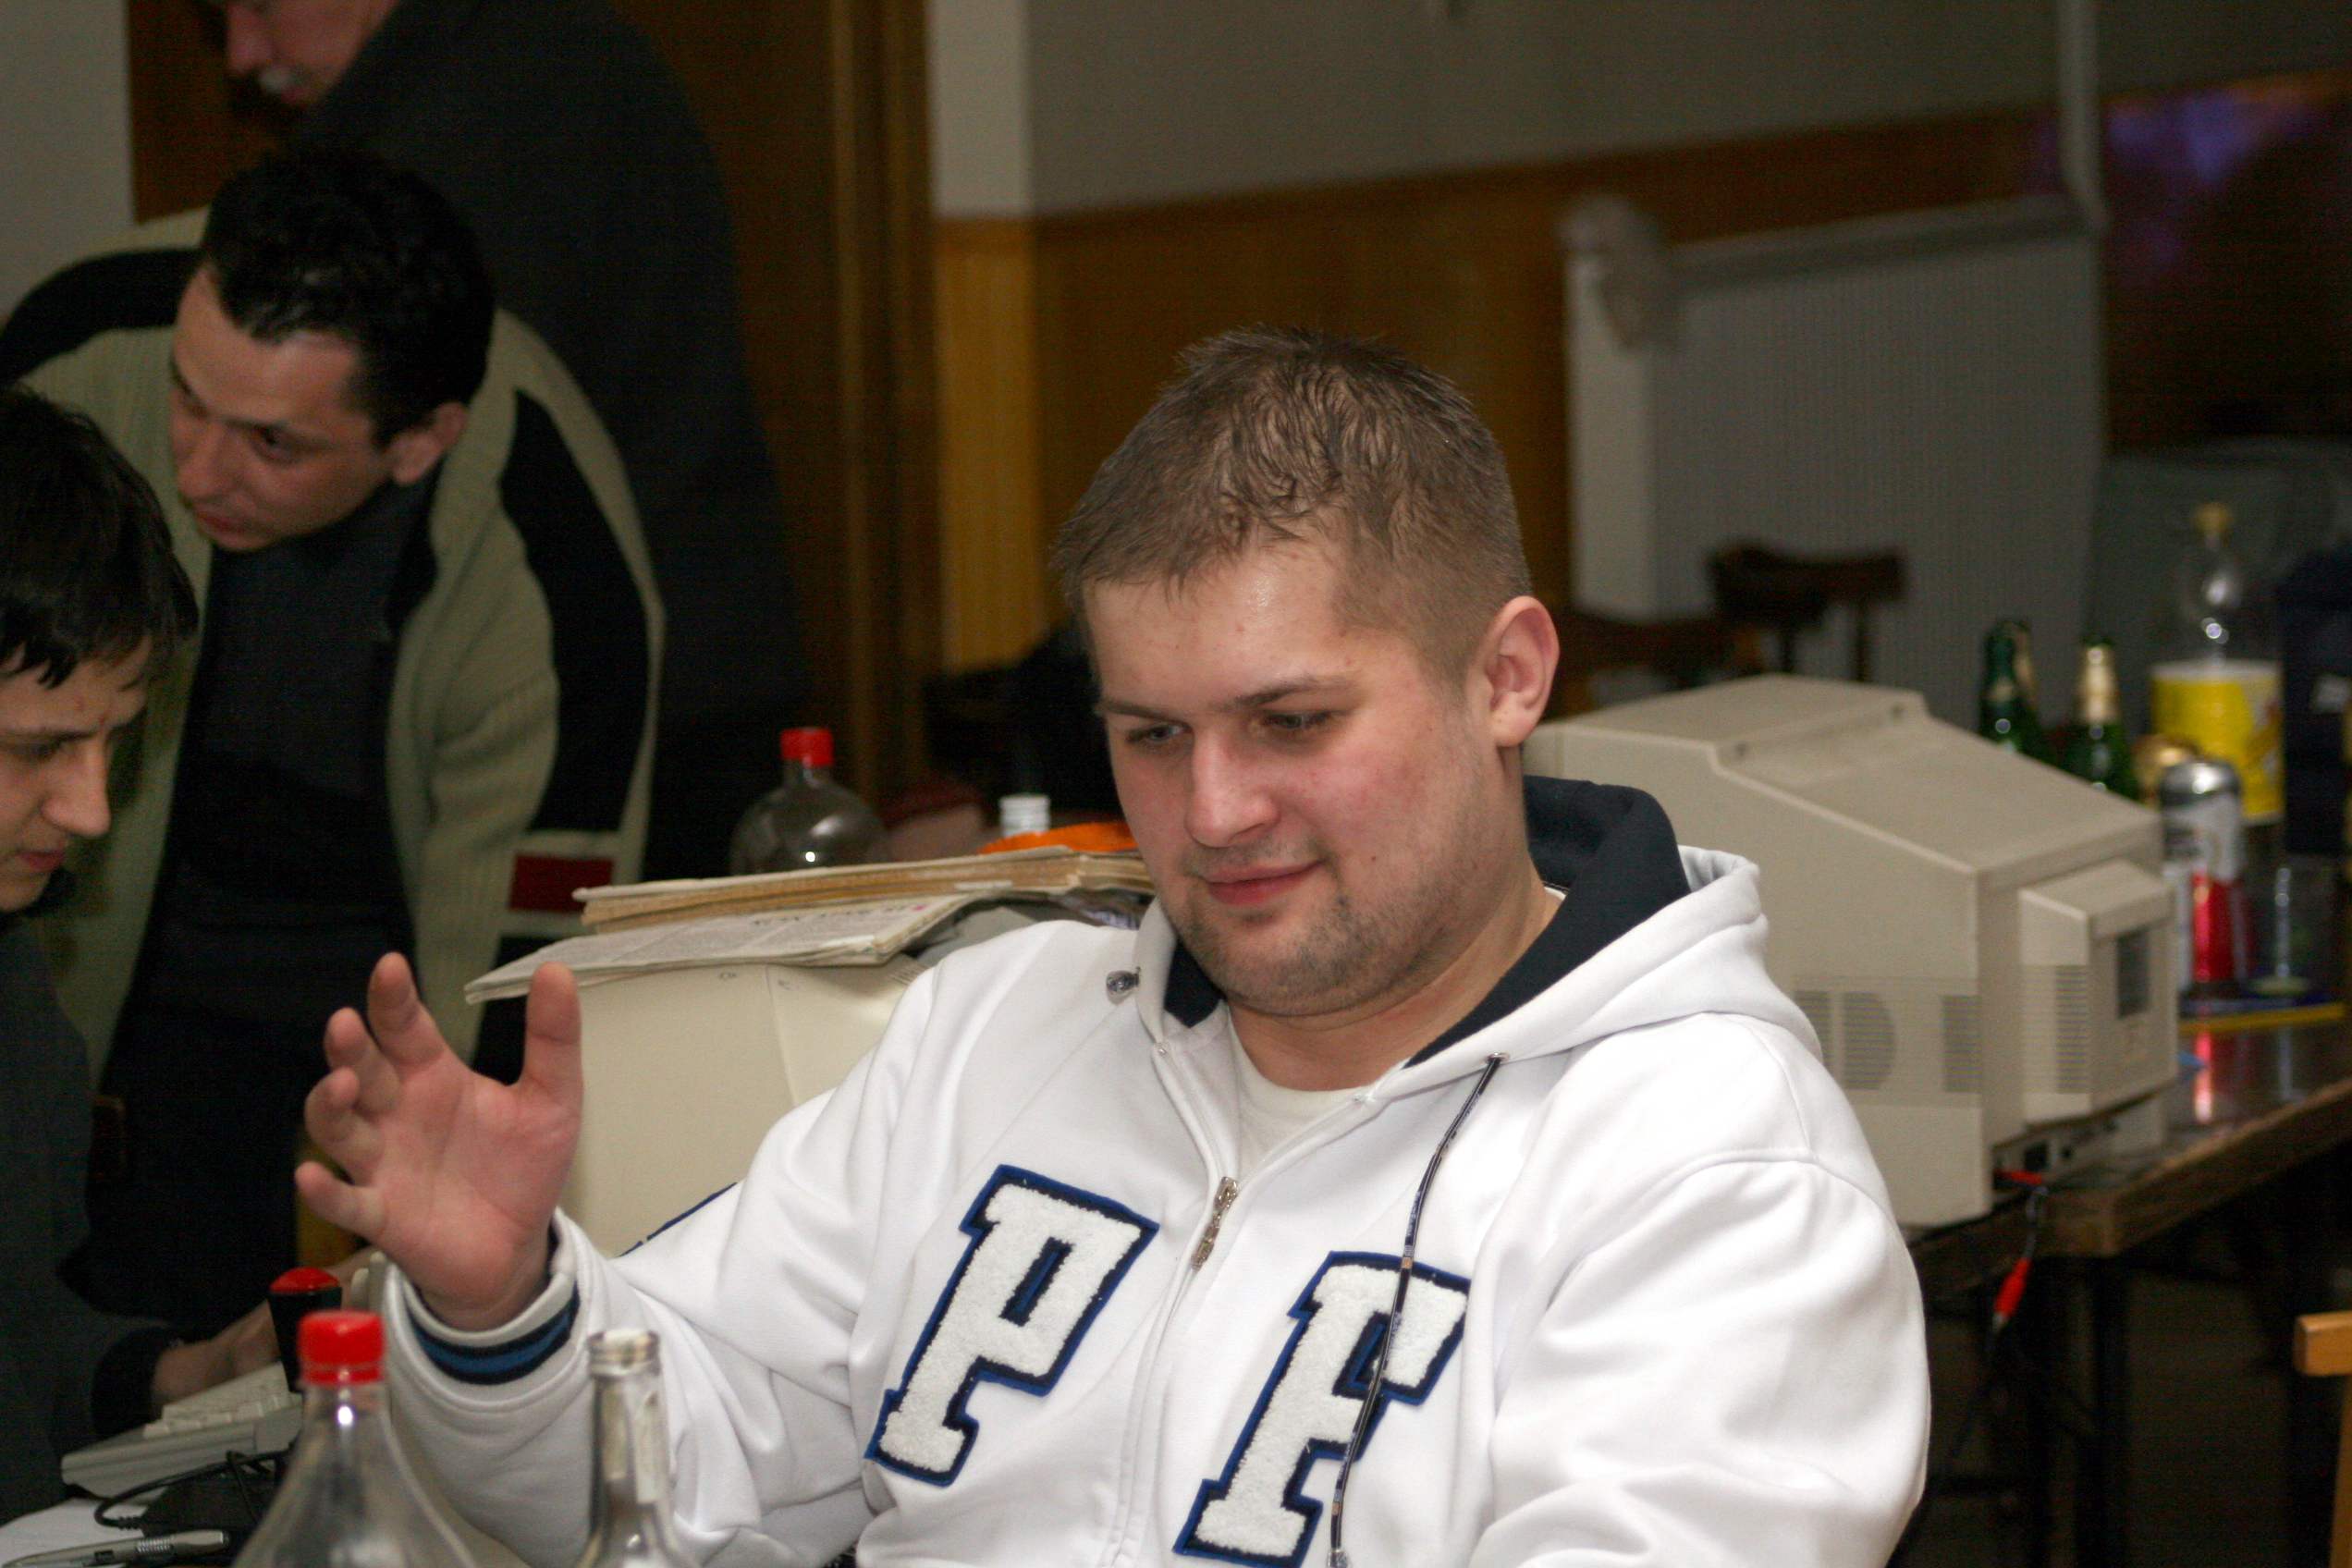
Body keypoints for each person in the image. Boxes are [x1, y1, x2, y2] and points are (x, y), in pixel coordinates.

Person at [299, 330, 1927, 1565]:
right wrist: (504, 1304)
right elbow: (671, 1479)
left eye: (1291, 722)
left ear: (1505, 678)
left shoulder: (1713, 1173)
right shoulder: (997, 1027)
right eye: (1151, 734)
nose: (1211, 813)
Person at [0, 146, 662, 1336]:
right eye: (185, 397)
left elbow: (508, 1001)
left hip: (346, 1067)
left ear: (417, 442)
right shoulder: (74, 339)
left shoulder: (557, 579)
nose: (195, 467)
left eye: (273, 444)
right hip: (80, 1031)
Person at [219, 0, 802, 878]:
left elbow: (451, 477)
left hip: (594, 712)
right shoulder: (546, 54)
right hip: (672, 672)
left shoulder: (477, 113)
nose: (241, 51)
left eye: (260, 3)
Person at [0, 385, 284, 1519]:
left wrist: (196, 1376)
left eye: (114, 742)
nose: (91, 810)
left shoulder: (14, 986)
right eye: (38, 748)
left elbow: (18, 1340)